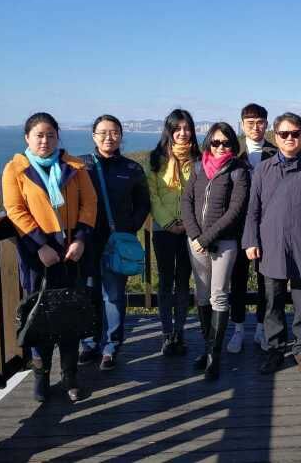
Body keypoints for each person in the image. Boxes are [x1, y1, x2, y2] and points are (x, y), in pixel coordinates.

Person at [2, 112, 97, 402]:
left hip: (70, 252)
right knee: (39, 314)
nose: (45, 141)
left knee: (69, 315)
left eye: (50, 135)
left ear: (58, 137)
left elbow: (89, 203)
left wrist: (80, 239)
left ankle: (70, 376)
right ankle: (41, 377)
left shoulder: (75, 167)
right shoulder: (15, 169)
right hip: (37, 255)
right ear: (27, 138)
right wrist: (40, 246)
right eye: (39, 135)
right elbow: (15, 210)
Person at [242, 112, 301, 376]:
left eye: (295, 133)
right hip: (271, 245)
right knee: (273, 302)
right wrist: (251, 240)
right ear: (276, 136)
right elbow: (253, 210)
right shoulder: (263, 169)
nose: (290, 138)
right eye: (284, 134)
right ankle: (274, 349)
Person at [78, 115, 150, 370]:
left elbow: (143, 204)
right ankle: (88, 343)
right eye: (103, 132)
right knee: (88, 293)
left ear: (121, 135)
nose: (109, 137)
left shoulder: (132, 169)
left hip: (117, 243)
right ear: (93, 136)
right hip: (86, 242)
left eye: (114, 132)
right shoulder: (80, 166)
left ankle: (111, 346)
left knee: (114, 295)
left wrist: (129, 229)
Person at [181, 122, 250, 380]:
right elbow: (186, 201)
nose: (221, 147)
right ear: (208, 142)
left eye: (226, 142)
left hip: (224, 243)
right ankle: (207, 347)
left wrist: (206, 237)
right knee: (201, 296)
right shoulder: (198, 167)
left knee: (218, 295)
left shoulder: (239, 171)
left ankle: (214, 356)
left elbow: (235, 211)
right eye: (216, 142)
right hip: (196, 242)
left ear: (233, 144)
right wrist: (194, 235)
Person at [143, 109, 201, 356]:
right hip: (163, 229)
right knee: (166, 281)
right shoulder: (155, 159)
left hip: (190, 229)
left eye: (187, 128)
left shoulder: (198, 159)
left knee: (183, 281)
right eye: (177, 128)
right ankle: (167, 333)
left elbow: (200, 194)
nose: (182, 133)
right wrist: (168, 222)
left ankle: (180, 332)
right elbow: (152, 195)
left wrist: (188, 223)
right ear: (169, 131)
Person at [227, 103, 277, 354]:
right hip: (237, 227)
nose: (255, 127)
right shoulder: (232, 153)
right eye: (250, 123)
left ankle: (260, 327)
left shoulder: (276, 152)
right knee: (237, 280)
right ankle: (237, 329)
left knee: (266, 281)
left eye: (260, 122)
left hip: (268, 227)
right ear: (242, 124)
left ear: (266, 124)